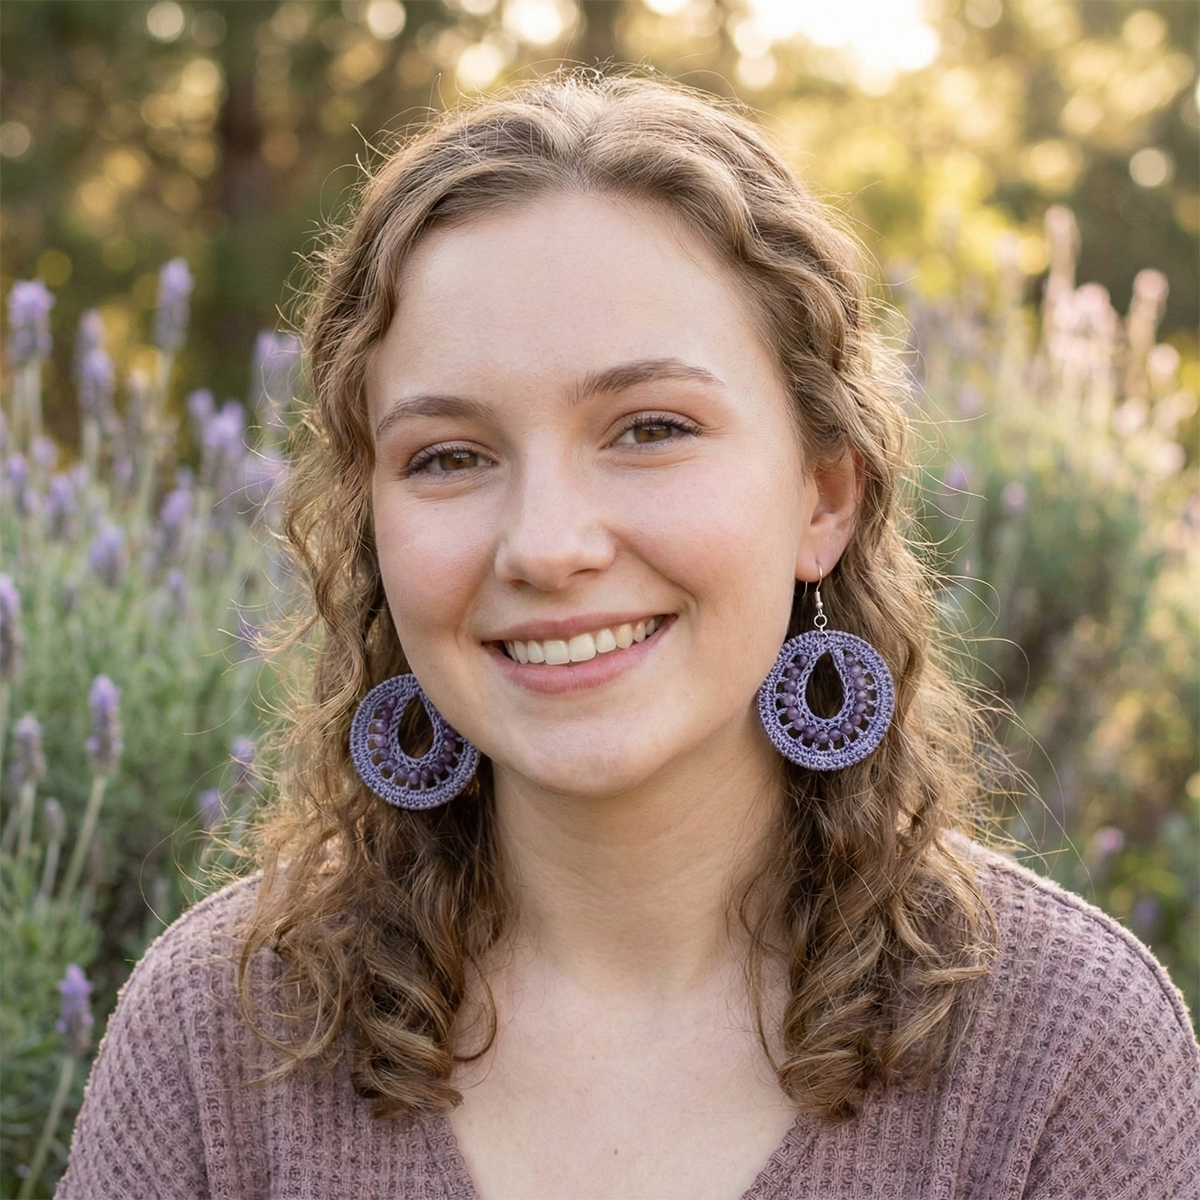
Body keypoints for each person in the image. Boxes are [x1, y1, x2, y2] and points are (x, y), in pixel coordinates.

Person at [59, 72, 1199, 1200]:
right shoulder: (221, 1037)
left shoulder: (1065, 1055)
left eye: (650, 429)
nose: (545, 547)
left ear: (823, 496)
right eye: (449, 455)